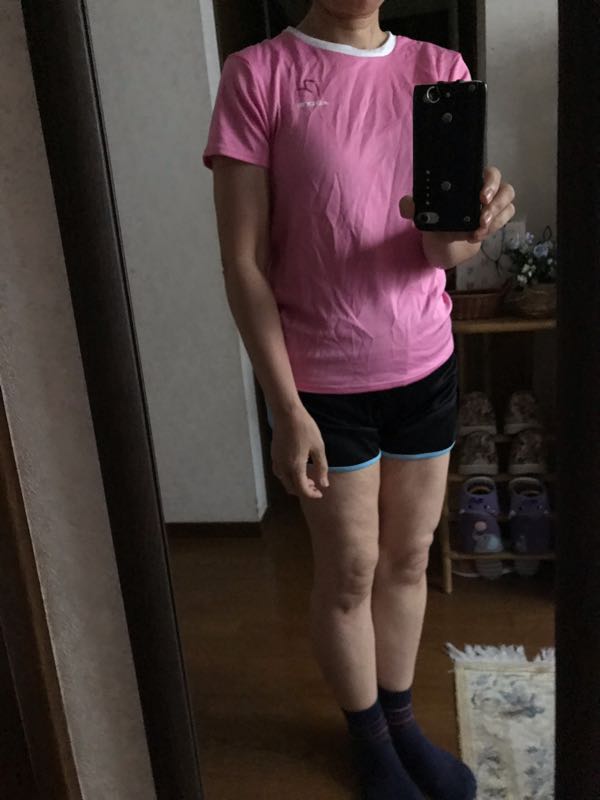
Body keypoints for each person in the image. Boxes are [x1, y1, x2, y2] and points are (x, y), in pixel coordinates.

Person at [203, 2, 515, 798]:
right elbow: (244, 263)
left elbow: (440, 251)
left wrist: (474, 227)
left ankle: (401, 723)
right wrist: (286, 409)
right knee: (349, 571)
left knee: (408, 559)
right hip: (321, 383)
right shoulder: (259, 75)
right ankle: (369, 740)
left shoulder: (438, 71)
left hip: (425, 363)